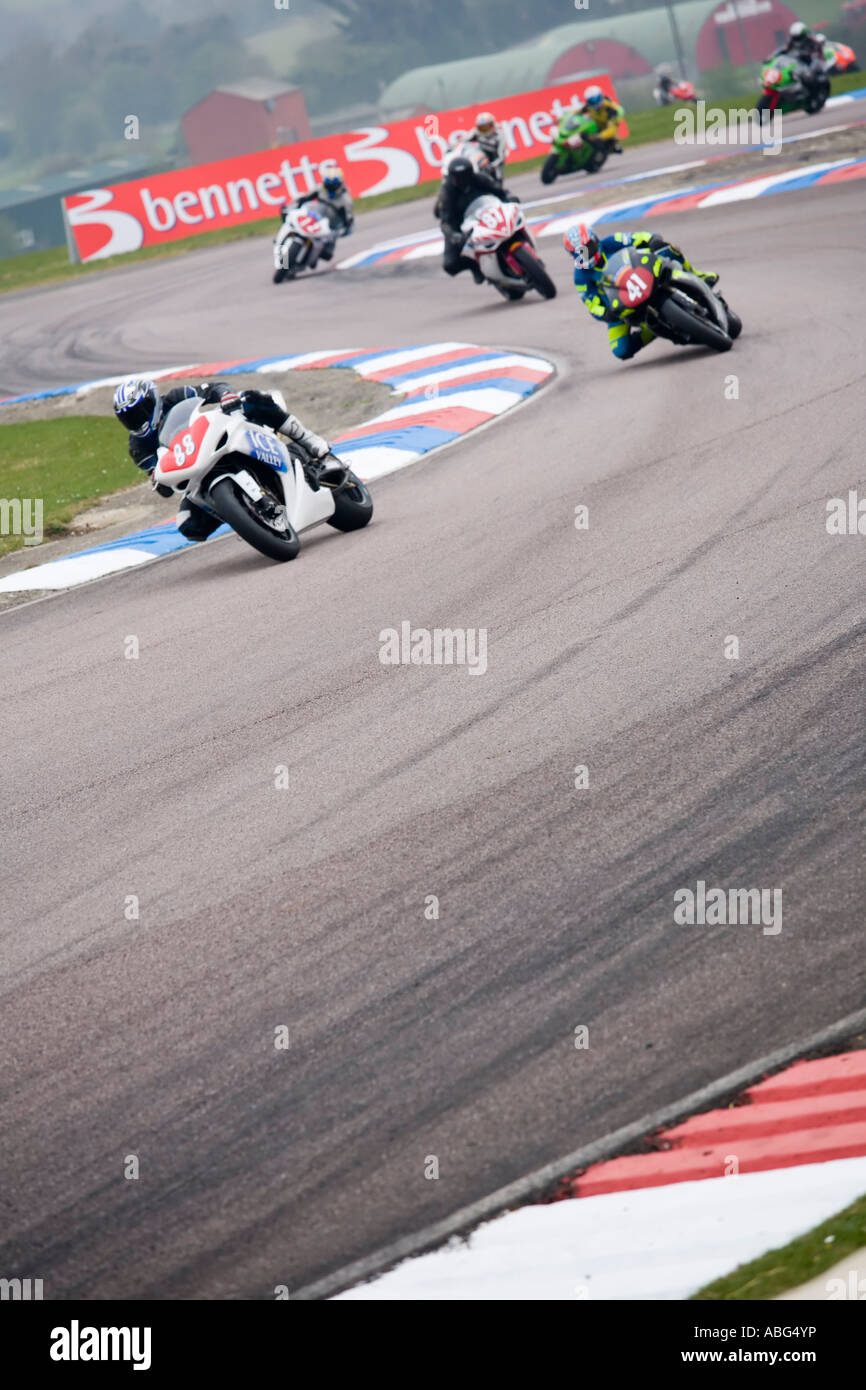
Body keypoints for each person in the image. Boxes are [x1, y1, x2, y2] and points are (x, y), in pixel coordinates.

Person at [112, 378, 346, 540]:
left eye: (139, 412)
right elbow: (161, 483)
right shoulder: (138, 446)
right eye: (128, 418)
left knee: (252, 400)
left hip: (217, 439)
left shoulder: (176, 396)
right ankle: (244, 512)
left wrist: (226, 396)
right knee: (188, 524)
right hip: (195, 472)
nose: (136, 421)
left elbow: (215, 388)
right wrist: (157, 479)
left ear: (153, 400)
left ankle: (313, 445)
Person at [563, 223, 732, 361]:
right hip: (620, 306)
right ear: (573, 255)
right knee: (620, 349)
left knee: (668, 250)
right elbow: (591, 303)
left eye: (588, 247)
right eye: (580, 253)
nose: (586, 254)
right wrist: (605, 313)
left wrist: (651, 239)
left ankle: (697, 275)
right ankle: (653, 329)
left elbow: (636, 238)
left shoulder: (611, 241)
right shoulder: (581, 277)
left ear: (595, 240)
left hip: (642, 276)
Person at [436, 155, 516, 282]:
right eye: (458, 178)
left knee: (511, 224)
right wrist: (453, 235)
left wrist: (510, 197)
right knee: (450, 264)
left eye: (466, 175)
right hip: (460, 225)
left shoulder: (479, 179)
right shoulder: (447, 192)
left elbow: (500, 191)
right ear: (452, 178)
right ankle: (476, 266)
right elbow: (445, 223)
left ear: (471, 173)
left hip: (486, 213)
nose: (462, 180)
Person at [285, 164, 354, 266]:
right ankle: (284, 242)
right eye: (328, 185)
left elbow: (348, 220)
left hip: (330, 226)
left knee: (327, 254)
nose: (330, 188)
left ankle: (312, 258)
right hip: (315, 217)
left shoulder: (345, 200)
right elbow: (305, 198)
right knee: (291, 221)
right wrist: (295, 205)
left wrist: (341, 230)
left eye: (333, 185)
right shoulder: (320, 188)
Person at [774, 21, 827, 97]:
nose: (796, 39)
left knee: (809, 73)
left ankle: (812, 92)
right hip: (800, 62)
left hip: (814, 62)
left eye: (798, 37)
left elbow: (816, 55)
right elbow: (784, 49)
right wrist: (774, 55)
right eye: (795, 37)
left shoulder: (813, 42)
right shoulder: (792, 41)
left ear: (803, 35)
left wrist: (805, 54)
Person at [577, 86, 625, 155]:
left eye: (597, 99)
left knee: (609, 140)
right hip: (597, 126)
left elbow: (611, 130)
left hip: (608, 130)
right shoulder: (589, 106)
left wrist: (598, 136)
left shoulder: (610, 109)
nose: (595, 102)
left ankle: (613, 147)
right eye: (591, 101)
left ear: (601, 97)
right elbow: (578, 112)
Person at [468, 111, 507, 181]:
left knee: (497, 181)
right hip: (481, 161)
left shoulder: (499, 136)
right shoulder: (476, 132)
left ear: (492, 125)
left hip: (495, 163)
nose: (484, 130)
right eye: (482, 128)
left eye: (486, 127)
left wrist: (492, 165)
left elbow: (502, 157)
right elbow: (464, 140)